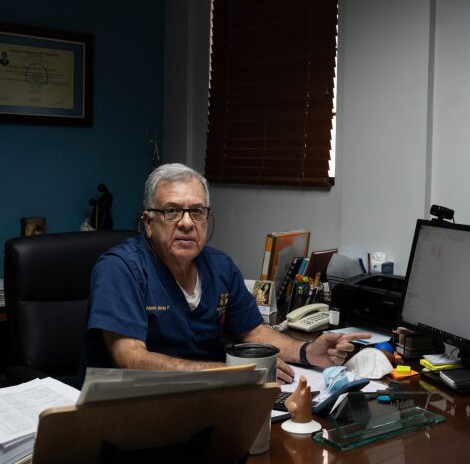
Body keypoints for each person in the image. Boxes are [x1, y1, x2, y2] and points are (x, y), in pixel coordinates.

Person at [79, 163, 369, 387]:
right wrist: (227, 372)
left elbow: (253, 331)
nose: (186, 223)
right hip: (129, 406)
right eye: (171, 212)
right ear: (148, 223)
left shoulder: (219, 266)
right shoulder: (120, 268)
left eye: (197, 211)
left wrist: (307, 351)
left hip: (205, 397)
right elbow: (131, 359)